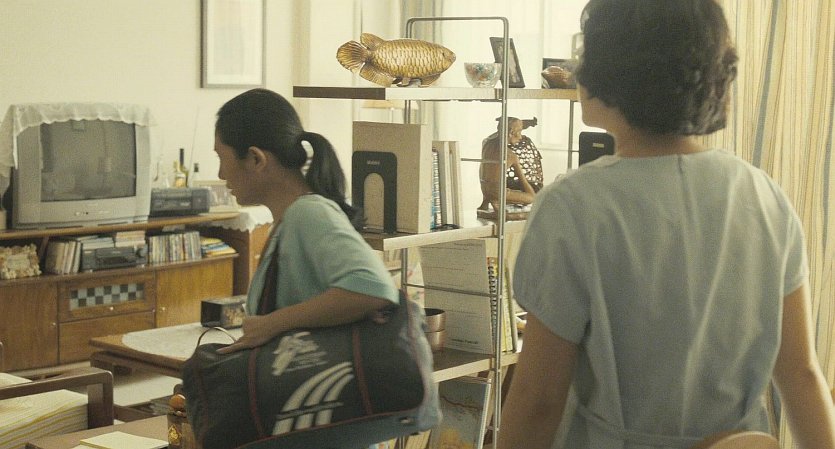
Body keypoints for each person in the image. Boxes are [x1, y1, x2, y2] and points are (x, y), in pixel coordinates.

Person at [497, 1, 835, 449]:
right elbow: (801, 374)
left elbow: (539, 400)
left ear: (610, 71)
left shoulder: (572, 207)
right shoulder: (764, 197)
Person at [213, 88, 400, 355]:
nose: (220, 173)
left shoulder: (309, 214)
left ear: (256, 159)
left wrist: (271, 324)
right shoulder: (288, 221)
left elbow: (375, 288)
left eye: (222, 158)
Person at [477, 116, 543, 214]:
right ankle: (497, 206)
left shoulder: (487, 143)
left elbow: (501, 131)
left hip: (485, 190)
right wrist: (532, 195)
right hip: (498, 193)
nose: (520, 137)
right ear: (511, 133)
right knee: (533, 197)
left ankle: (487, 203)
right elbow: (525, 183)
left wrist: (521, 124)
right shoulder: (510, 156)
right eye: (520, 132)